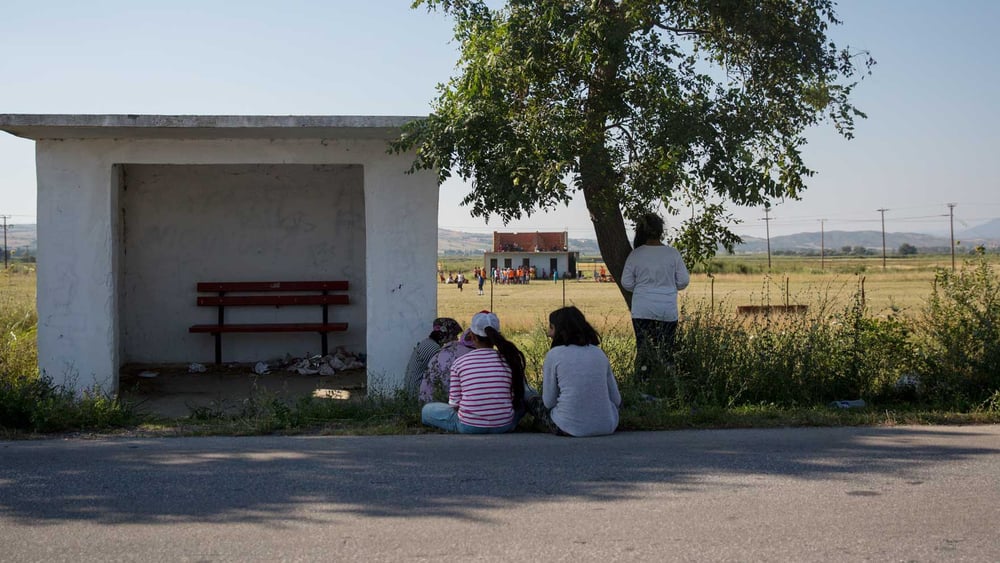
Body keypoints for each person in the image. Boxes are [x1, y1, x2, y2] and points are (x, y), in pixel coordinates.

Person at [421, 311, 527, 434]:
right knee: (525, 401)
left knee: (427, 410)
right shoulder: (509, 360)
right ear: (496, 336)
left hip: (469, 426)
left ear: (472, 336)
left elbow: (454, 404)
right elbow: (514, 397)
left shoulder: (460, 363)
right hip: (504, 425)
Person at [527, 306, 622, 437]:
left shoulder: (554, 355)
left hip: (567, 426)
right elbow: (616, 399)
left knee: (531, 398)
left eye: (551, 327)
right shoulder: (599, 353)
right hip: (607, 426)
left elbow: (549, 402)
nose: (548, 333)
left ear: (560, 330)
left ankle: (540, 423)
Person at [620, 212, 690, 382]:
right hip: (667, 309)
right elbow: (683, 281)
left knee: (644, 350)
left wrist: (642, 288)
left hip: (642, 309)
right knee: (666, 350)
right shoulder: (672, 254)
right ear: (661, 231)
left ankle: (643, 382)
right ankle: (669, 383)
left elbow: (626, 283)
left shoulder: (636, 255)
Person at [404, 317, 462, 396]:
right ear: (446, 334)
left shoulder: (427, 343)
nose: (456, 339)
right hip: (417, 395)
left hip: (412, 392)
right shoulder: (434, 349)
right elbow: (441, 376)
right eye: (454, 335)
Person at [419, 328, 476, 403]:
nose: (456, 338)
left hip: (425, 405)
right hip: (443, 405)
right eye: (455, 335)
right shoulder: (468, 356)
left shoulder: (442, 351)